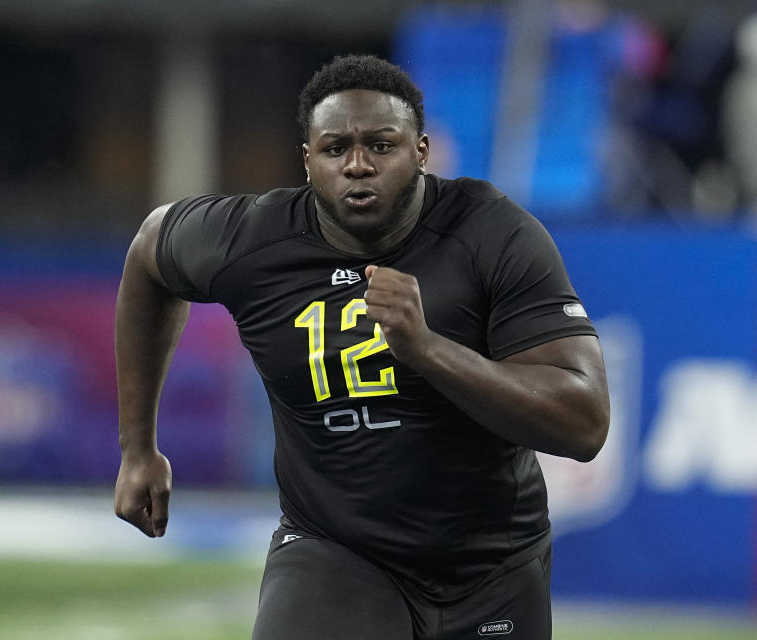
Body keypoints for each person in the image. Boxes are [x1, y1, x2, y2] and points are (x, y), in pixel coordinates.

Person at [113, 54, 610, 640]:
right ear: (307, 160)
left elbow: (585, 423)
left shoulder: (492, 234)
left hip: (488, 562)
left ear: (420, 152)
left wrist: (426, 349)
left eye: (380, 145)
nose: (356, 166)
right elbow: (150, 253)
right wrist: (138, 448)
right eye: (334, 149)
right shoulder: (253, 238)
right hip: (335, 548)